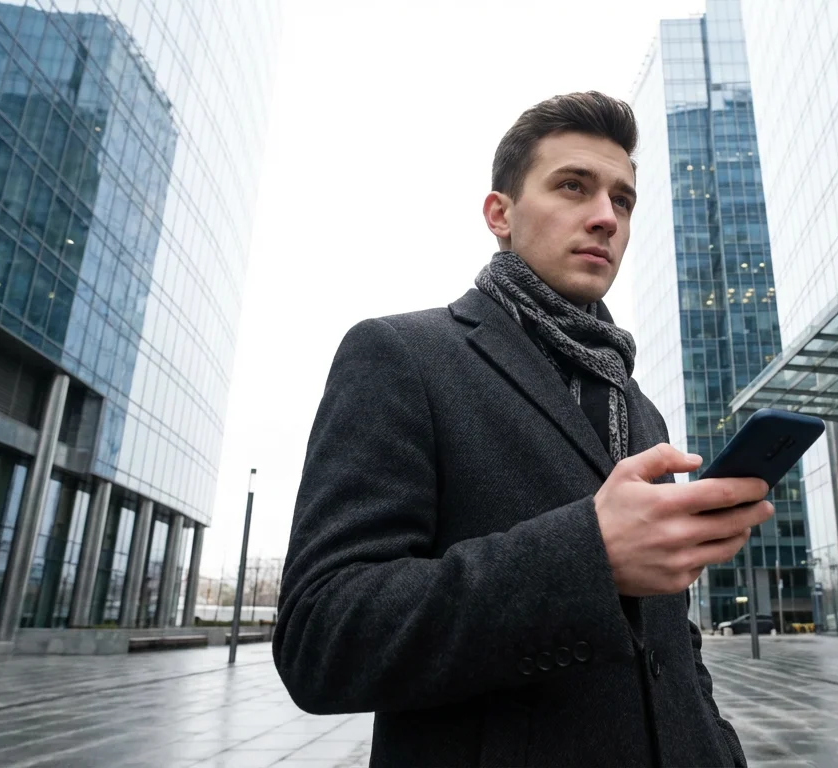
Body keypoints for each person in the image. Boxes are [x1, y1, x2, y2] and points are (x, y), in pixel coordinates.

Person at [273, 92, 774, 767]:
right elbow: (321, 637)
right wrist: (588, 558)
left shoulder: (640, 406)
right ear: (499, 214)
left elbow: (669, 640)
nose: (605, 217)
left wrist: (719, 748)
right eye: (573, 186)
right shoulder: (401, 356)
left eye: (622, 201)